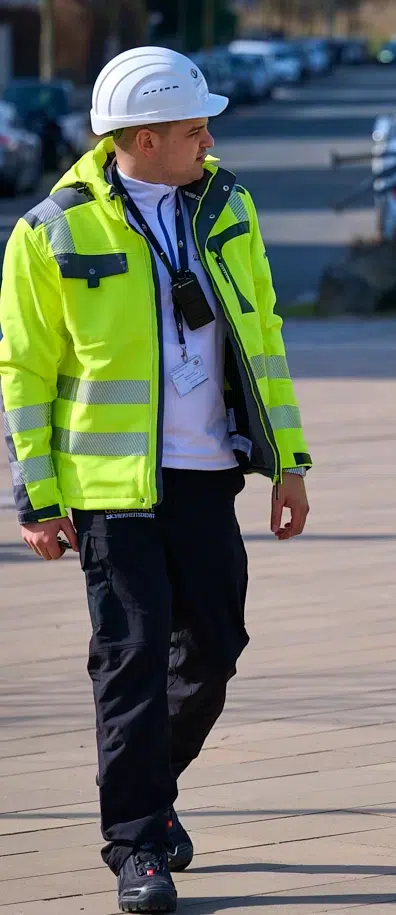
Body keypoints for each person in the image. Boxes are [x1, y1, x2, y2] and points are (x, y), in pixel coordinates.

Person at [0, 47, 311, 913]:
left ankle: (144, 784)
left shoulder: (228, 205)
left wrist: (288, 461)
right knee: (130, 661)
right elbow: (23, 371)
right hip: (109, 490)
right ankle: (136, 840)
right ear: (143, 136)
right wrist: (39, 494)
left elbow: (263, 335)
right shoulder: (51, 230)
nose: (208, 138)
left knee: (215, 648)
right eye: (191, 128)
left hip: (210, 473)